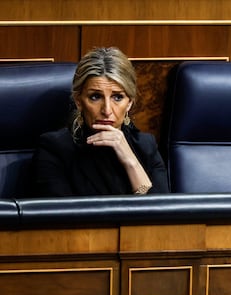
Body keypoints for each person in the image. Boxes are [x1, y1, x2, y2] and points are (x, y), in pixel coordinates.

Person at [32, 47, 169, 196]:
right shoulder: (55, 148)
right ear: (79, 102)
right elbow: (62, 216)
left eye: (117, 97)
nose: (107, 110)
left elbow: (160, 213)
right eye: (95, 97)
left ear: (129, 103)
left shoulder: (145, 146)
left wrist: (131, 162)